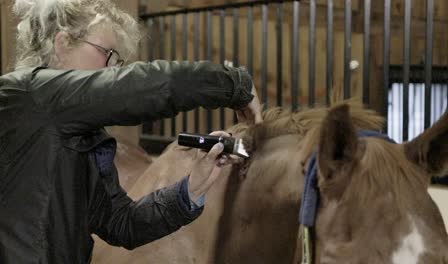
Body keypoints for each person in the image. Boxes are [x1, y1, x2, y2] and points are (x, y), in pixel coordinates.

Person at [0, 0, 262, 263]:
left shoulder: (82, 134)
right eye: (108, 53)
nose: (113, 68)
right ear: (63, 43)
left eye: (118, 60)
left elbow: (122, 223)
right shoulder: (25, 94)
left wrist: (193, 187)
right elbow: (140, 87)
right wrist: (231, 83)